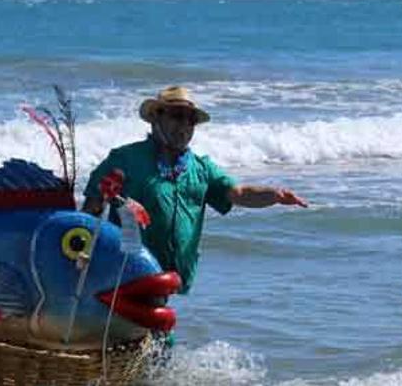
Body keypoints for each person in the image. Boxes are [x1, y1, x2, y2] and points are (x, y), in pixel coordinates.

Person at [83, 86, 307, 293]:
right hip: (124, 273)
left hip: (172, 277)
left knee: (159, 329)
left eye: (190, 120)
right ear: (155, 118)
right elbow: (92, 209)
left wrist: (275, 195)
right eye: (177, 116)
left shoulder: (201, 168)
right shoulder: (125, 159)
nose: (184, 126)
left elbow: (238, 194)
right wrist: (83, 260)